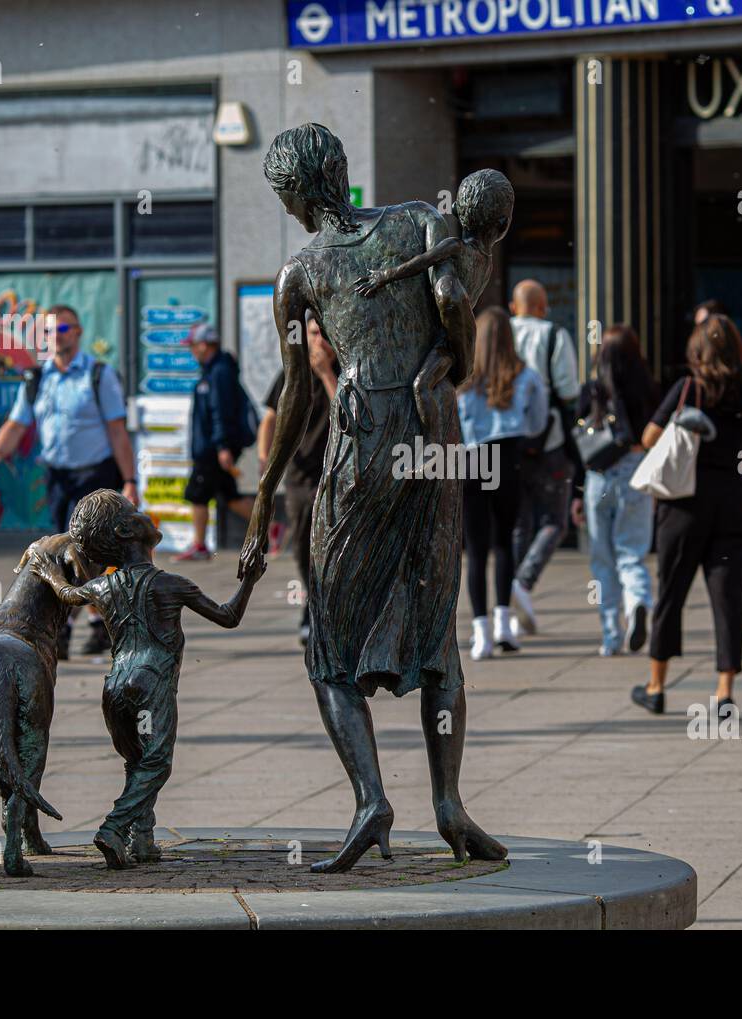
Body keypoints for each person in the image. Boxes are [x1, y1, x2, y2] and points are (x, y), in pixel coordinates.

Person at [245, 122, 505, 873]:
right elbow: (456, 298)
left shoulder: (300, 272)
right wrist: (445, 364)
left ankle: (371, 799)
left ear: (301, 189)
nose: (288, 208)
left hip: (361, 441)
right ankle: (449, 802)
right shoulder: (419, 219)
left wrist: (263, 493)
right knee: (437, 627)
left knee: (329, 643)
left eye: (285, 194)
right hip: (430, 437)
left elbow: (297, 394)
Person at [26, 489, 262, 869]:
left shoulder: (103, 587)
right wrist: (249, 579)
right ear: (125, 531)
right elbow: (228, 616)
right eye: (135, 511)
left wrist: (48, 570)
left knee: (136, 760)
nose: (145, 512)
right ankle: (115, 827)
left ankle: (143, 839)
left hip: (115, 686)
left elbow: (68, 594)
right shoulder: (172, 584)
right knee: (157, 763)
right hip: (151, 685)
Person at [0, 304, 136, 658]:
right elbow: (17, 423)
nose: (55, 337)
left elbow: (116, 430)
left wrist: (129, 480)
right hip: (57, 478)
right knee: (60, 554)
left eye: (63, 330)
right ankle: (65, 627)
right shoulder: (38, 379)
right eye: (49, 331)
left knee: (92, 554)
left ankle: (97, 625)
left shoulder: (98, 375)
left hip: (95, 476)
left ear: (78, 332)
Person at [634, 314, 742, 717]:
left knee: (671, 594)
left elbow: (648, 439)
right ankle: (724, 693)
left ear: (698, 351)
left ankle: (656, 687)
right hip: (731, 504)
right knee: (728, 599)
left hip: (683, 505)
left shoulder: (689, 388)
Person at [352, 168, 514, 440]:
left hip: (449, 341)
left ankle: (434, 445)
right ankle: (434, 446)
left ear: (457, 211)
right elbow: (423, 262)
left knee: (423, 386)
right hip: (454, 341)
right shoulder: (474, 256)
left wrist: (384, 276)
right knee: (425, 385)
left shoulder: (469, 254)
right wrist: (384, 277)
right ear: (503, 224)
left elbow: (423, 263)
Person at [456, 307, 547, 660]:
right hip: (510, 458)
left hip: (473, 461)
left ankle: (481, 632)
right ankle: (504, 623)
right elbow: (538, 422)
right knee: (505, 542)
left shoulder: (463, 380)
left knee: (476, 549)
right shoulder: (526, 376)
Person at [570, 325, 658, 657]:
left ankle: (611, 636)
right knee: (631, 553)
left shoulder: (591, 391)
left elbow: (579, 447)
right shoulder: (649, 390)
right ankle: (637, 602)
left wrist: (577, 493)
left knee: (602, 560)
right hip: (636, 470)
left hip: (599, 477)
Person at [259, 313, 337, 645]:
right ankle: (311, 603)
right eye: (314, 333)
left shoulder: (344, 373)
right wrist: (266, 462)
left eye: (325, 334)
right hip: (300, 478)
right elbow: (270, 418)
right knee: (303, 549)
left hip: (334, 476)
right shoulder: (293, 372)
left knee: (331, 551)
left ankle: (325, 613)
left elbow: (348, 417)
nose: (319, 341)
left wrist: (326, 373)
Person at [509, 279, 580, 637]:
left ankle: (508, 603)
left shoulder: (499, 333)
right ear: (542, 306)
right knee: (554, 519)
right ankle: (523, 581)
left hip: (506, 442)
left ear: (512, 305)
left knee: (519, 522)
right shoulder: (554, 336)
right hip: (548, 440)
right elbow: (569, 391)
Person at [175, 323, 257, 562]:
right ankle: (271, 526)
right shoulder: (212, 370)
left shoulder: (219, 372)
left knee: (198, 494)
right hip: (212, 446)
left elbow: (220, 412)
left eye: (192, 345)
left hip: (213, 448)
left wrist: (222, 447)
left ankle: (199, 545)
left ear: (204, 345)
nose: (191, 350)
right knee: (230, 497)